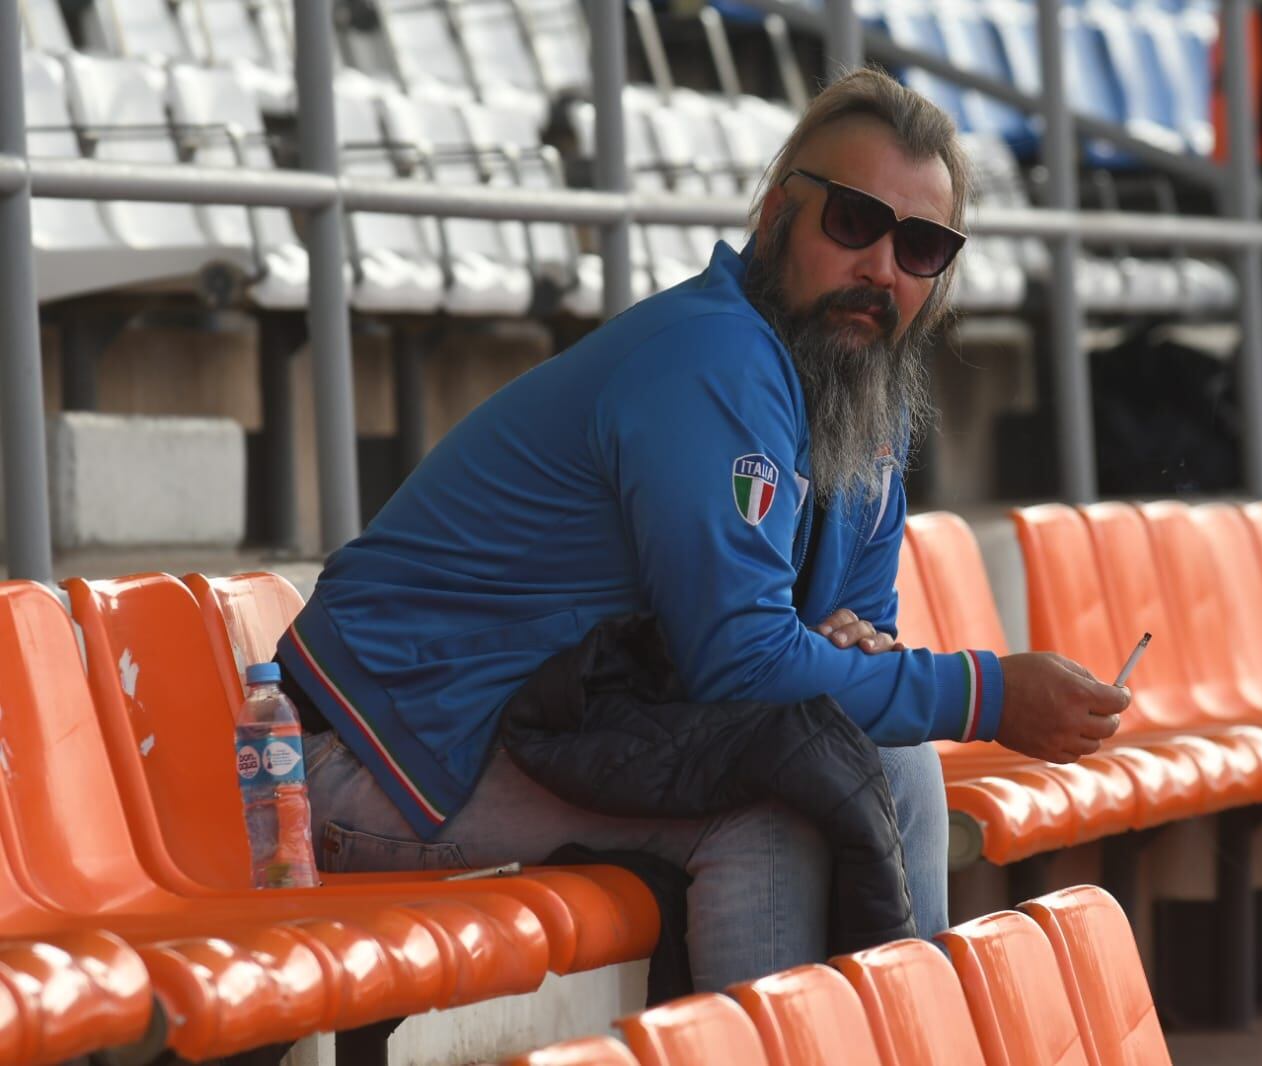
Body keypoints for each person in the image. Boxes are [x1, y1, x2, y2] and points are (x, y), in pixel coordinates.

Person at [277, 68, 1129, 992]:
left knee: (890, 757)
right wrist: (988, 696)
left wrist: (840, 662)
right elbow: (748, 666)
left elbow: (849, 649)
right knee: (770, 813)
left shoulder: (869, 401)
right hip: (383, 755)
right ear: (775, 220)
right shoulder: (712, 356)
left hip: (552, 730)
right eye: (853, 223)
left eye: (920, 245)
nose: (881, 269)